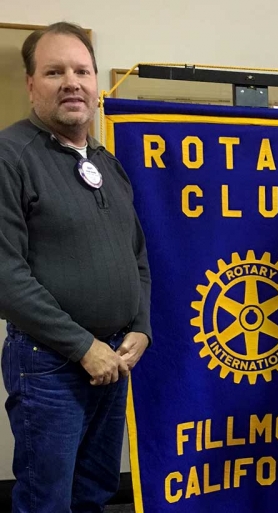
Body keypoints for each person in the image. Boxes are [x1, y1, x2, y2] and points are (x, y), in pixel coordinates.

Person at [0, 22, 152, 512]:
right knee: (47, 501)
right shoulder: (10, 157)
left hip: (114, 360)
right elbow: (5, 274)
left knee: (95, 492)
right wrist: (84, 347)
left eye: (82, 71)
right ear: (31, 84)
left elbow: (137, 255)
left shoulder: (107, 162)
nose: (72, 82)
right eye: (54, 71)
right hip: (50, 365)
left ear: (95, 85)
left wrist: (142, 328)